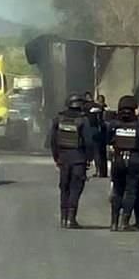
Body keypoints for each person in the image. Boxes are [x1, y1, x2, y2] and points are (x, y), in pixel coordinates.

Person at [107, 95, 139, 231]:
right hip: (135, 160)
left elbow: (108, 140)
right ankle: (125, 222)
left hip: (118, 160)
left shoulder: (113, 124)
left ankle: (114, 223)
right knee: (131, 191)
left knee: (117, 191)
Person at [50, 93, 91, 229]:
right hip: (78, 159)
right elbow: (89, 142)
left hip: (63, 159)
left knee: (64, 188)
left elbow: (52, 141)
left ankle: (63, 218)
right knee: (75, 188)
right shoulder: (83, 120)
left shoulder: (58, 119)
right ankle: (71, 219)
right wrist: (89, 159)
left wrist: (57, 157)